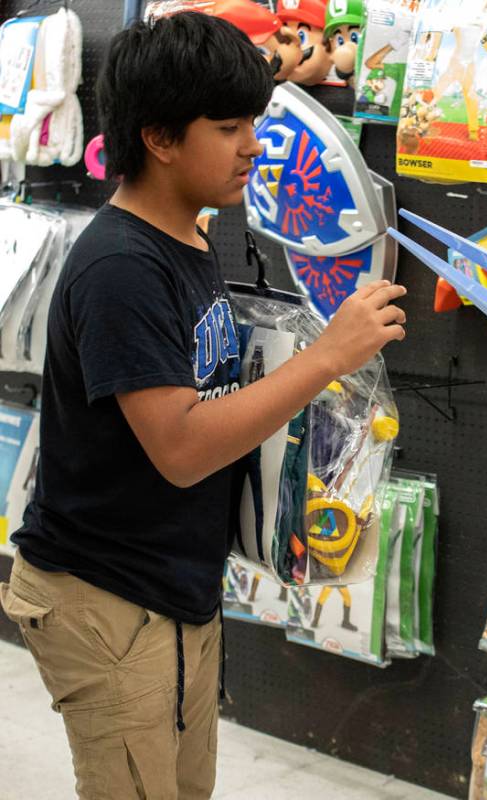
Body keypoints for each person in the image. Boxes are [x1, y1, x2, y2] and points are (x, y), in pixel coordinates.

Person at [0, 13, 406, 800]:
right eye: (227, 126)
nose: (253, 143)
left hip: (172, 591)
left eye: (253, 121)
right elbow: (181, 447)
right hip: (106, 602)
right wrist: (327, 357)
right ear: (158, 137)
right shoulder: (121, 267)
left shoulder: (185, 235)